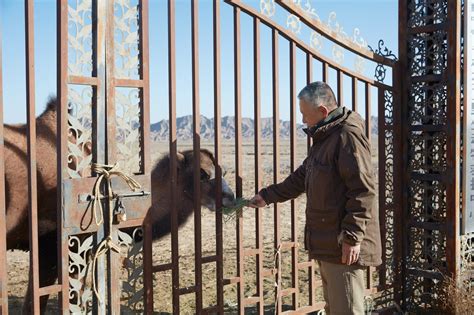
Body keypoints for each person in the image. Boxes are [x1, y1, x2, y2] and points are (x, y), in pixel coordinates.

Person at [248, 81, 381, 315]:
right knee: (335, 309)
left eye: (304, 114)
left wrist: (352, 237)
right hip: (329, 244)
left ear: (322, 111)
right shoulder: (325, 138)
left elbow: (363, 190)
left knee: (347, 310)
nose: (302, 120)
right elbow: (302, 177)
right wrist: (267, 196)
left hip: (343, 246)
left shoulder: (346, 136)